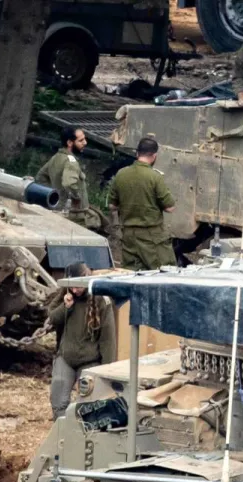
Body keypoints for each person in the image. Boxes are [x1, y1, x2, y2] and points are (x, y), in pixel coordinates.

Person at [48, 262, 118, 418]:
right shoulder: (66, 293)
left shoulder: (101, 300)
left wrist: (107, 372)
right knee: (58, 401)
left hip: (89, 361)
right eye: (71, 286)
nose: (74, 290)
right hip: (66, 358)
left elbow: (108, 340)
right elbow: (52, 317)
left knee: (88, 405)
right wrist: (66, 307)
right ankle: (63, 436)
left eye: (77, 286)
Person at [108, 137, 177, 270]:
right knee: (166, 273)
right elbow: (170, 207)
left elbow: (112, 206)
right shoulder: (155, 177)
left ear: (137, 153)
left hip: (128, 236)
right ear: (154, 156)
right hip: (151, 237)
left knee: (131, 274)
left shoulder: (121, 174)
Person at [35, 126, 101, 231]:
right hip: (73, 216)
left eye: (84, 139)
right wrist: (76, 197)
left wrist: (52, 195)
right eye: (81, 140)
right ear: (70, 143)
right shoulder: (71, 162)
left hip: (56, 210)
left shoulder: (56, 157)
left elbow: (40, 177)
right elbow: (69, 183)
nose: (85, 143)